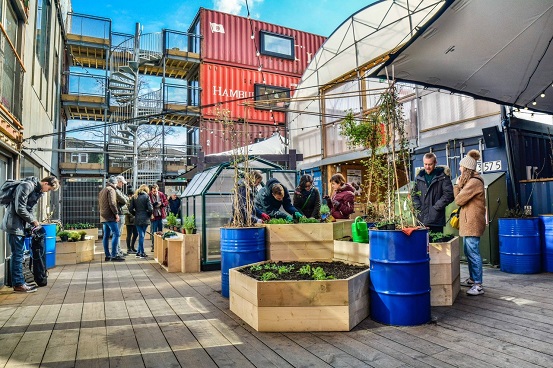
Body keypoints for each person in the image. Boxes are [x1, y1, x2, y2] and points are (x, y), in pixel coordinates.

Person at [1, 176, 59, 293]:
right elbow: (20, 208)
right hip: (14, 224)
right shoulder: (26, 186)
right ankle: (18, 284)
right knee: (17, 254)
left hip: (19, 225)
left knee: (19, 254)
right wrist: (33, 221)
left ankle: (19, 281)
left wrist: (32, 223)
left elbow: (29, 208)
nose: (47, 191)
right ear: (45, 183)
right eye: (49, 189)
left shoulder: (35, 190)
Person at [454, 149, 486, 296]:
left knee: (473, 252)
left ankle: (478, 285)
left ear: (467, 169)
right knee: (469, 251)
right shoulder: (471, 181)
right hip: (469, 222)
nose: (459, 169)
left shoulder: (474, 182)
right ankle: (473, 279)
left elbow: (459, 200)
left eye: (461, 167)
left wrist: (456, 185)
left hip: (472, 222)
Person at [412, 152, 454, 233]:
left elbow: (449, 195)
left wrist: (436, 208)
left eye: (430, 164)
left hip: (436, 220)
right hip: (421, 220)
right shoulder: (419, 177)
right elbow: (414, 194)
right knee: (422, 245)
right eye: (425, 164)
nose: (427, 167)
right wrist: (418, 207)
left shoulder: (443, 177)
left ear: (435, 163)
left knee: (436, 245)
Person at [99, 177, 125, 262]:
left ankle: (107, 255)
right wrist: (116, 214)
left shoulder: (102, 190)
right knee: (116, 234)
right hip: (110, 216)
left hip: (103, 216)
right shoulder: (111, 190)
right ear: (115, 183)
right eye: (117, 183)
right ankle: (114, 255)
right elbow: (112, 203)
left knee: (106, 236)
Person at [129, 184, 153, 258]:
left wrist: (135, 214)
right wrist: (149, 215)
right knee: (142, 235)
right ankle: (142, 252)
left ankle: (138, 252)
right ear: (146, 190)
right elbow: (151, 209)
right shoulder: (146, 197)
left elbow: (130, 209)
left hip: (137, 218)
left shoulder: (134, 197)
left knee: (141, 235)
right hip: (145, 218)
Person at [149, 184, 168, 252]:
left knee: (160, 231)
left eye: (156, 191)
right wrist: (154, 204)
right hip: (154, 216)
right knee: (154, 231)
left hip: (160, 215)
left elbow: (166, 202)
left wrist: (162, 204)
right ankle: (154, 246)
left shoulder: (161, 194)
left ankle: (160, 245)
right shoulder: (149, 195)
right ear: (151, 190)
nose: (155, 192)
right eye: (153, 191)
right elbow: (148, 205)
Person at [114, 175, 128, 256]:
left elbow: (126, 199)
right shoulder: (116, 191)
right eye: (122, 183)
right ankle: (117, 251)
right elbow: (124, 200)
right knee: (118, 234)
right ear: (119, 182)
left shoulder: (118, 190)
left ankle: (119, 250)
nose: (123, 184)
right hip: (120, 213)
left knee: (118, 233)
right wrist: (125, 199)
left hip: (120, 213)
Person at [125, 186, 138, 254]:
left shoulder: (134, 200)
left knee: (136, 234)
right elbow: (126, 210)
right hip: (129, 220)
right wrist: (133, 214)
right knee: (129, 234)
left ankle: (132, 247)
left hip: (134, 219)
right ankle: (129, 248)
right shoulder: (127, 200)